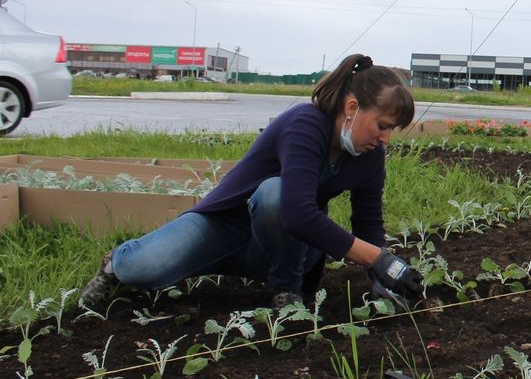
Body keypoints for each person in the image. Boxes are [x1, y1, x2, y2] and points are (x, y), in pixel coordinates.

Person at [78, 54, 425, 312]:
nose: (385, 139)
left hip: (284, 249)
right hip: (223, 226)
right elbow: (298, 213)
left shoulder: (369, 155)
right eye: (382, 125)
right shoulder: (306, 124)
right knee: (144, 269)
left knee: (277, 204)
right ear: (352, 107)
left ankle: (287, 292)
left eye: (391, 130)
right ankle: (115, 261)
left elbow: (368, 223)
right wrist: (377, 258)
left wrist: (384, 277)